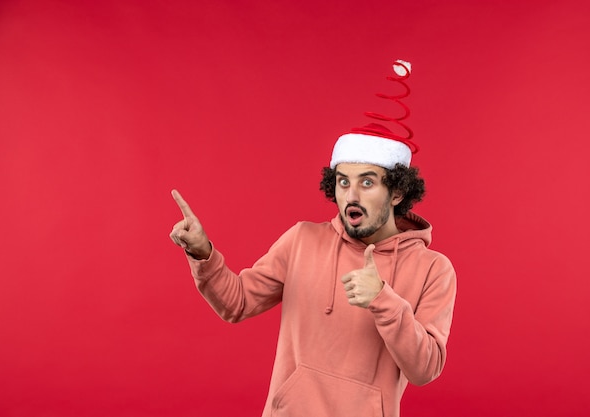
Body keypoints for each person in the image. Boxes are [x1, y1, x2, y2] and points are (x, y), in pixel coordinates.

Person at [169, 60, 457, 417]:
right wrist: (202, 253)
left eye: (367, 182)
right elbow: (237, 302)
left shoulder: (433, 269)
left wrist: (383, 300)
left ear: (397, 192)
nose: (351, 195)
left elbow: (425, 369)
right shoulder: (302, 240)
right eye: (343, 181)